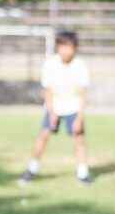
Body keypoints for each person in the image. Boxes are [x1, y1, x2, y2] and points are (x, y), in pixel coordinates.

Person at [19, 30, 92, 185]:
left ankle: (83, 174)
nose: (66, 50)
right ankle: (32, 170)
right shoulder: (50, 64)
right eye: (62, 46)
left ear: (75, 48)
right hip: (54, 107)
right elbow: (48, 90)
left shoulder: (80, 66)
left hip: (73, 108)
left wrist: (79, 117)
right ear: (58, 47)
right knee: (43, 137)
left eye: (69, 46)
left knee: (79, 139)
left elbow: (83, 94)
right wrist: (51, 112)